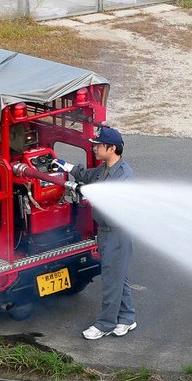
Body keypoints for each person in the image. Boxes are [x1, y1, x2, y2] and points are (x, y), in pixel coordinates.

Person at [56, 126, 137, 340]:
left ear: (111, 148)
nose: (94, 148)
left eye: (99, 145)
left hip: (117, 234)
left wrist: (81, 190)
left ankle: (105, 324)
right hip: (105, 232)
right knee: (120, 277)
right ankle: (127, 318)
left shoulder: (124, 176)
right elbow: (87, 175)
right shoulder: (104, 170)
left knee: (112, 278)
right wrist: (65, 165)